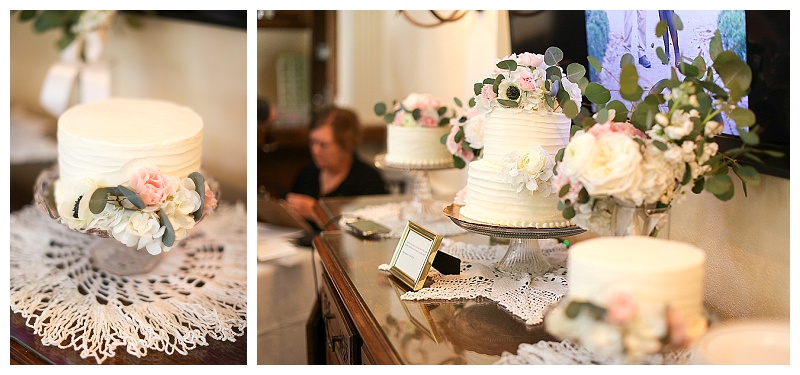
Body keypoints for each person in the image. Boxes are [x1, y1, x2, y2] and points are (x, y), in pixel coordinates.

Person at [285, 106, 387, 230]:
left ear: (346, 145)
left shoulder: (368, 180)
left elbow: (370, 231)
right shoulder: (307, 173)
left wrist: (316, 213)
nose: (315, 150)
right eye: (313, 142)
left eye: (323, 145)